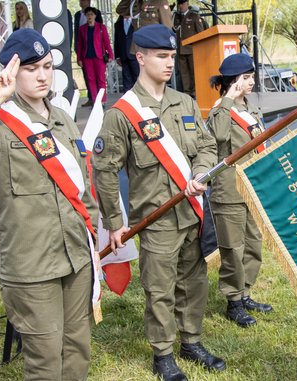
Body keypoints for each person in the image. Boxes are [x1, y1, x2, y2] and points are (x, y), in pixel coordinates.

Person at [0, 28, 99, 381]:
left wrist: (93, 231)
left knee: (77, 348)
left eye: (47, 66)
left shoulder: (63, 119)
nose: (43, 75)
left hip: (76, 256)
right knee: (45, 359)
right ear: (10, 72)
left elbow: (82, 187)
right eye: (31, 68)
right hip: (32, 266)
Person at [92, 24, 225, 381]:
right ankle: (162, 354)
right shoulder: (122, 114)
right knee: (160, 288)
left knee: (194, 281)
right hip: (156, 218)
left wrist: (200, 171)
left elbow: (208, 146)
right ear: (140, 57)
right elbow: (104, 170)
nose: (169, 64)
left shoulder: (184, 103)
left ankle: (191, 340)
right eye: (161, 57)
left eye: (171, 56)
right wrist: (114, 222)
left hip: (191, 213)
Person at [206, 53, 273, 328]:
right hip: (229, 190)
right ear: (234, 81)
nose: (252, 81)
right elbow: (219, 136)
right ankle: (233, 301)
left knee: (252, 244)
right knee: (233, 248)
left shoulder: (249, 109)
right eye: (247, 77)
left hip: (251, 187)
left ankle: (245, 292)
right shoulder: (220, 110)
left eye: (252, 76)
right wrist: (228, 99)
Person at [77, 6, 113, 106]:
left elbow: (106, 42)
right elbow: (79, 44)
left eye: (91, 14)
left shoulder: (101, 27)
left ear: (95, 16)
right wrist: (79, 58)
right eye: (88, 14)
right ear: (85, 16)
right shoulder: (82, 29)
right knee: (91, 80)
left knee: (101, 79)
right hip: (87, 57)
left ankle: (102, 100)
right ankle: (95, 101)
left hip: (99, 57)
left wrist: (110, 54)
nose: (89, 16)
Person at [74, 0, 103, 107]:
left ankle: (100, 98)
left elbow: (100, 30)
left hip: (95, 49)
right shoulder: (77, 15)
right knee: (87, 75)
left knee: (98, 76)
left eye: (85, 0)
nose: (82, 2)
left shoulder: (97, 13)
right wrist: (76, 48)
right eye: (81, 0)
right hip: (82, 48)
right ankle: (91, 97)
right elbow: (76, 31)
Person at [173, 0, 205, 97]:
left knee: (193, 71)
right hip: (181, 49)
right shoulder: (177, 17)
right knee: (184, 73)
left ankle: (195, 91)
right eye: (179, 4)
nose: (181, 6)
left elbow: (201, 33)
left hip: (192, 49)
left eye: (182, 4)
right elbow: (174, 29)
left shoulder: (194, 16)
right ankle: (187, 92)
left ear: (187, 4)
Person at [114, 14, 139, 91]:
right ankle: (128, 100)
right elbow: (116, 41)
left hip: (135, 55)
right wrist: (117, 56)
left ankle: (141, 99)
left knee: (137, 78)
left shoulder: (137, 22)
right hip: (123, 55)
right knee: (126, 80)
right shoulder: (118, 24)